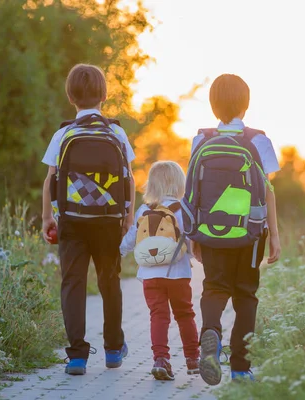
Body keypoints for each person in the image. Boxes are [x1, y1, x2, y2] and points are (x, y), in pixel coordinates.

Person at [41, 63, 136, 375]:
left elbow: (50, 179)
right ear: (104, 96)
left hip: (72, 220)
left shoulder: (64, 133)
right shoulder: (117, 132)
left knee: (73, 283)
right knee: (110, 281)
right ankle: (112, 350)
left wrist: (47, 218)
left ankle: (78, 356)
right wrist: (128, 215)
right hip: (109, 219)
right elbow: (129, 179)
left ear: (71, 96)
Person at [189, 74, 281, 384]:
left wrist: (194, 236)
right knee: (246, 295)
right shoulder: (258, 141)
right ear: (246, 104)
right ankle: (241, 368)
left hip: (211, 229)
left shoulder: (201, 140)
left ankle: (211, 331)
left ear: (213, 106)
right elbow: (268, 191)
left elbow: (194, 191)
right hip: (250, 234)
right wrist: (275, 236)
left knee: (215, 287)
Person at [120, 161, 200, 381]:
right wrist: (196, 257)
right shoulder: (183, 209)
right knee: (185, 315)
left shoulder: (144, 210)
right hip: (178, 274)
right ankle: (193, 359)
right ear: (179, 183)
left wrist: (119, 252)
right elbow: (191, 240)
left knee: (158, 316)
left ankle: (160, 359)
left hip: (149, 275)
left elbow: (131, 238)